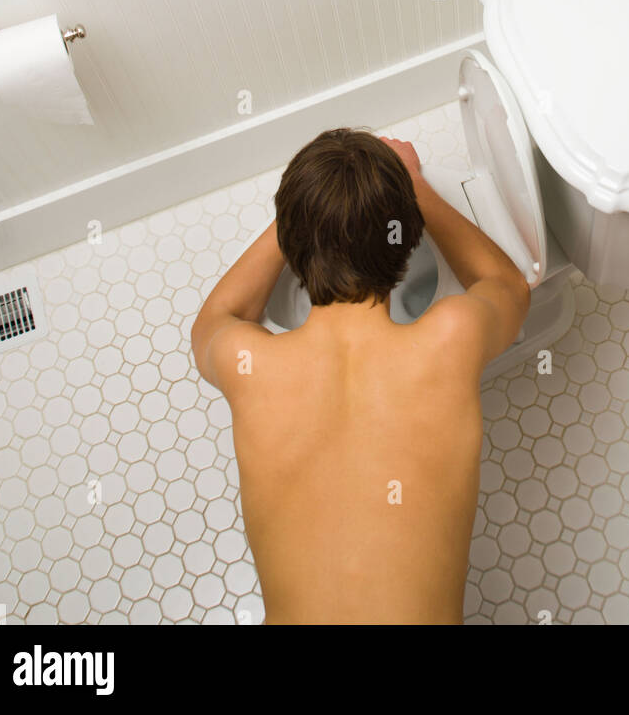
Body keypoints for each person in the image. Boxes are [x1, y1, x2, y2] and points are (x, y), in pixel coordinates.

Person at [190, 127, 531, 625]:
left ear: (291, 242)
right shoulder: (450, 339)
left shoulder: (249, 364)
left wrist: (304, 215)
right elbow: (508, 285)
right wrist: (414, 184)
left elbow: (215, 316)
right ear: (407, 240)